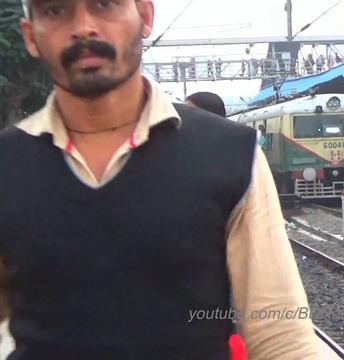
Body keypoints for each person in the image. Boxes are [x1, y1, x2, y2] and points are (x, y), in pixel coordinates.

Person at [7, 1, 318, 359]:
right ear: (31, 36)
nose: (83, 27)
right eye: (55, 10)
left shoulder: (232, 154)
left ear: (145, 15)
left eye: (104, 4)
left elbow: (281, 337)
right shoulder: (7, 164)